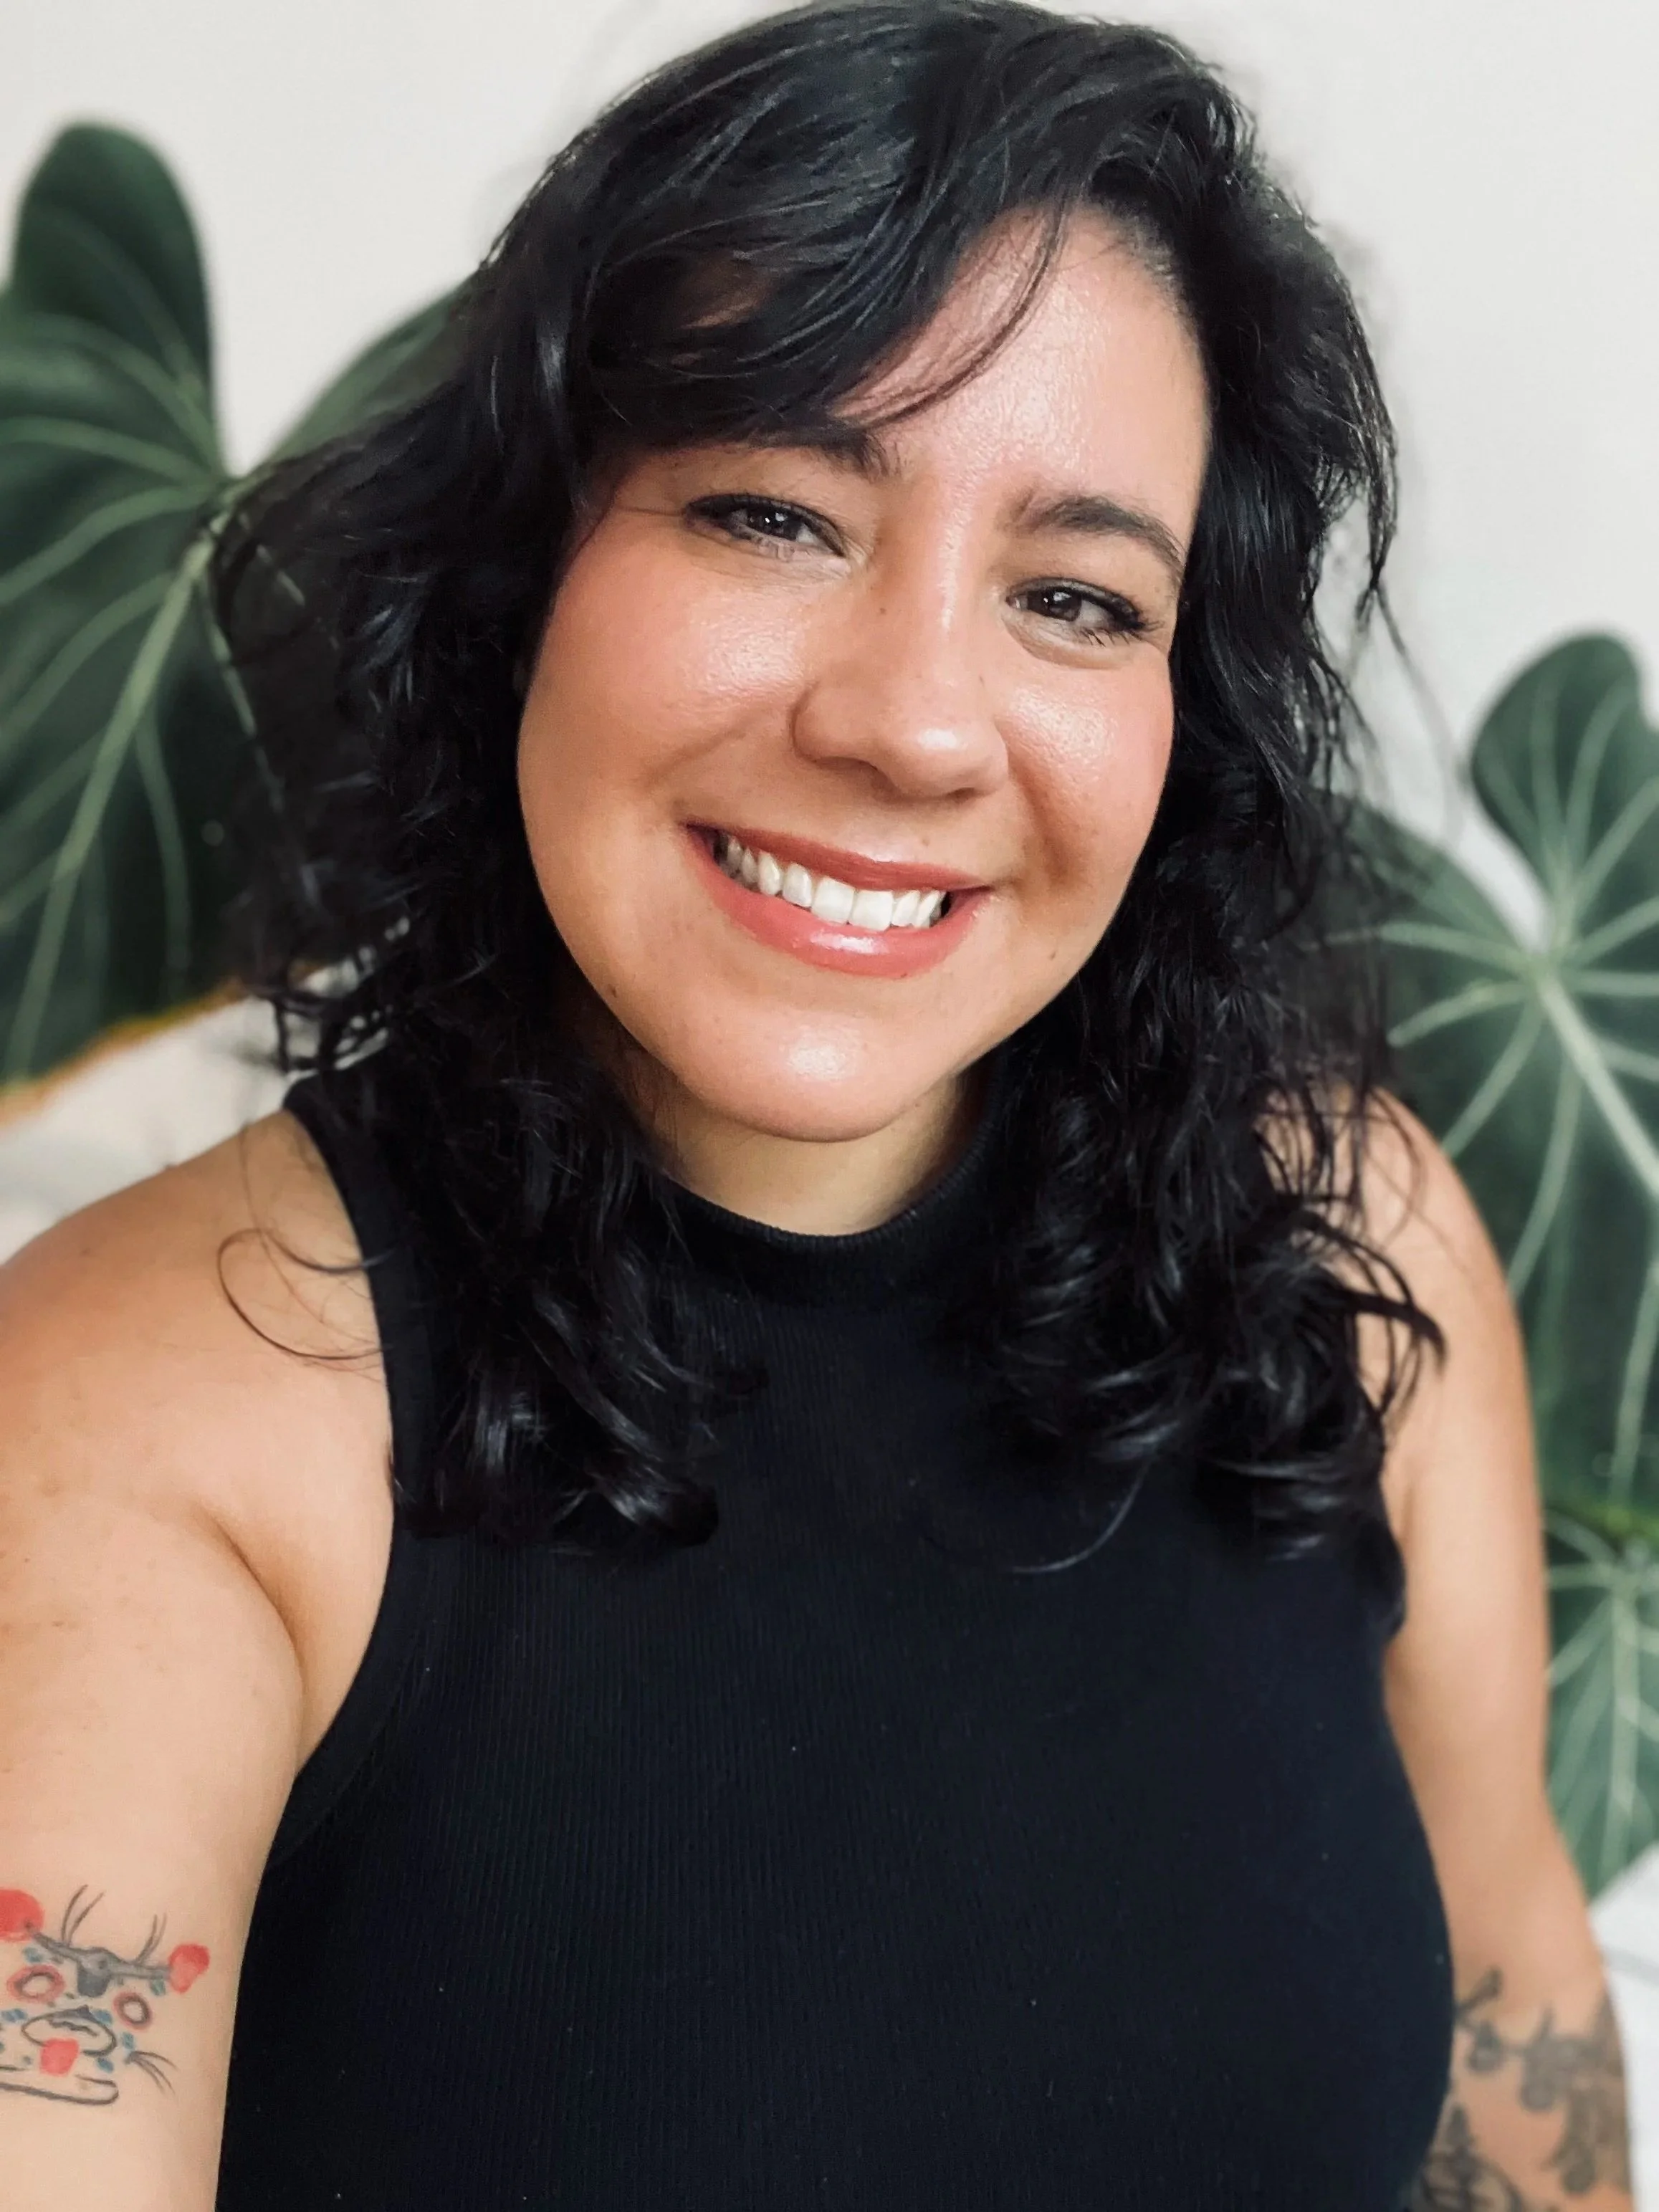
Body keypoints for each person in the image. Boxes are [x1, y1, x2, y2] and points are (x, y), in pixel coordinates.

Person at [0, 2, 1631, 2205]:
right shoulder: (138, 1423)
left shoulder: (1348, 1243)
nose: (914, 725)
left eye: (1074, 595)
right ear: (525, 577)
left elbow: (1513, 2016)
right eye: (774, 510)